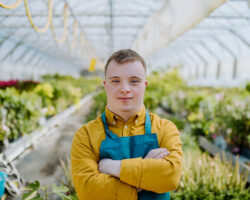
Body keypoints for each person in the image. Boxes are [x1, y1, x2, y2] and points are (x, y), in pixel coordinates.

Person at [71, 49, 183, 200]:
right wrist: (146, 173)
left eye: (134, 81)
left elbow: (170, 177)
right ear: (105, 85)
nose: (124, 89)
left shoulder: (165, 129)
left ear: (145, 85)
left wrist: (111, 167)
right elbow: (88, 190)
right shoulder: (85, 135)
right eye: (115, 81)